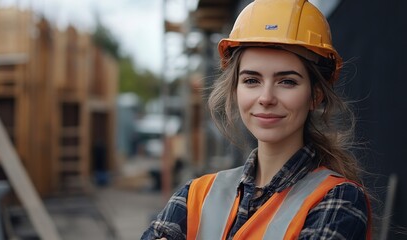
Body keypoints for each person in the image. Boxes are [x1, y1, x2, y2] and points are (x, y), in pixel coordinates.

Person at [142, 0, 372, 239]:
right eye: (252, 80)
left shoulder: (339, 201)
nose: (266, 98)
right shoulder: (195, 196)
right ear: (235, 90)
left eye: (287, 81)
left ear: (315, 96)